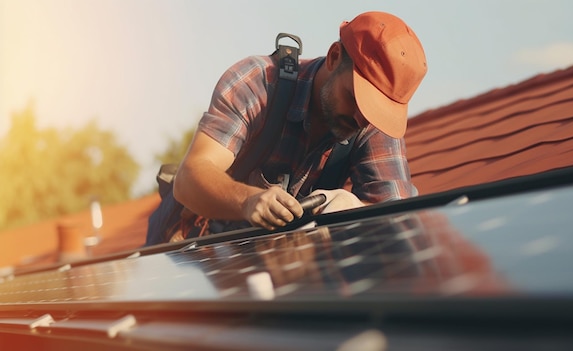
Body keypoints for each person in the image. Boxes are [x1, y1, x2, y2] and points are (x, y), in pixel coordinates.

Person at [171, 11, 427, 236]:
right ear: (334, 56)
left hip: (287, 274)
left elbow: (398, 218)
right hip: (203, 256)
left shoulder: (371, 122)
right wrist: (248, 201)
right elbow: (189, 178)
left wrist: (355, 209)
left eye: (376, 111)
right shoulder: (257, 83)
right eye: (355, 99)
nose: (361, 118)